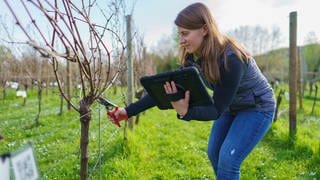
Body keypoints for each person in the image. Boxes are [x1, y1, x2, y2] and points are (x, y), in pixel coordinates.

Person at [111, 2, 275, 179]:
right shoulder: (193, 57)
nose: (181, 40)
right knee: (214, 153)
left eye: (185, 33)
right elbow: (164, 89)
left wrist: (187, 112)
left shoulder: (232, 58)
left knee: (228, 160)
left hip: (257, 107)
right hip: (231, 107)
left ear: (204, 29)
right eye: (179, 34)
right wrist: (127, 112)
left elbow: (215, 110)